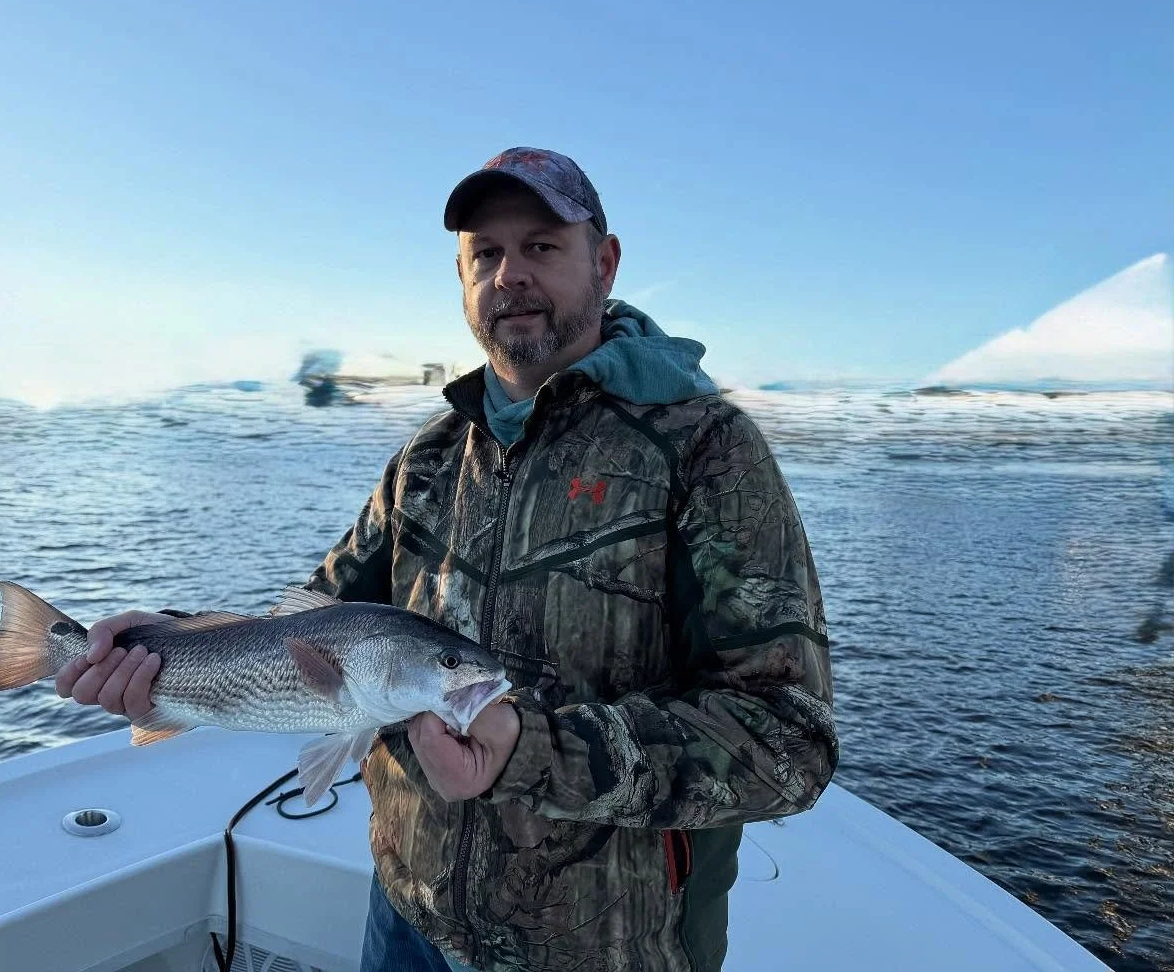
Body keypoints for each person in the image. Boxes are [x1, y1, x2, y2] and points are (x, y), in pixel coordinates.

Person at [54, 148, 838, 972]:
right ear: (462, 279)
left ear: (603, 264)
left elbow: (788, 740)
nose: (510, 277)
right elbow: (314, 620)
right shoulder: (427, 458)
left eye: (540, 247)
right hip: (407, 916)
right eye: (486, 255)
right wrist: (166, 645)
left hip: (606, 946)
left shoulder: (706, 450)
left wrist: (531, 750)